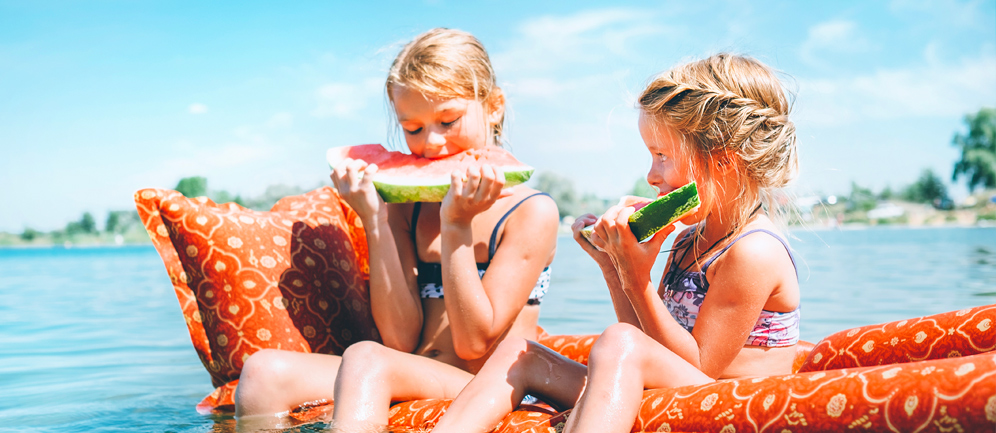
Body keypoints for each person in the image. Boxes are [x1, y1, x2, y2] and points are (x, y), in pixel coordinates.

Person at [431, 53, 800, 433]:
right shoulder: (692, 239)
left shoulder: (753, 252)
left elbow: (697, 366)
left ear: (723, 161)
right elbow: (651, 345)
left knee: (619, 340)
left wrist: (637, 279)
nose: (652, 175)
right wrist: (615, 267)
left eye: (662, 156)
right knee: (519, 353)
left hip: (726, 406)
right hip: (676, 390)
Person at [232, 28, 559, 431]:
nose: (432, 143)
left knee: (367, 358)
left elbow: (474, 342)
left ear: (493, 107)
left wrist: (454, 225)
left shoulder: (532, 212)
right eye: (413, 128)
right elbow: (400, 340)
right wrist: (376, 219)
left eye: (448, 120)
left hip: (484, 382)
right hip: (413, 367)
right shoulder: (409, 206)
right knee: (263, 371)